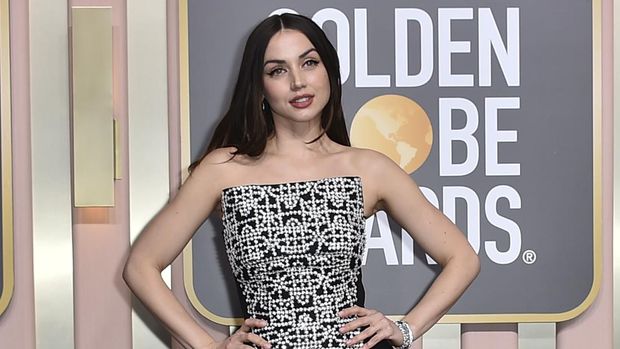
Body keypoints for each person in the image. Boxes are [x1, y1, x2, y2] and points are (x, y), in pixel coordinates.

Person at [123, 13, 480, 349]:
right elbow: (141, 266)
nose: (298, 81)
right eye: (278, 70)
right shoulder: (224, 169)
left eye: (309, 63)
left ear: (328, 70)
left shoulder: (368, 168)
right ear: (259, 87)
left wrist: (405, 329)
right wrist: (205, 345)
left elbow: (462, 258)